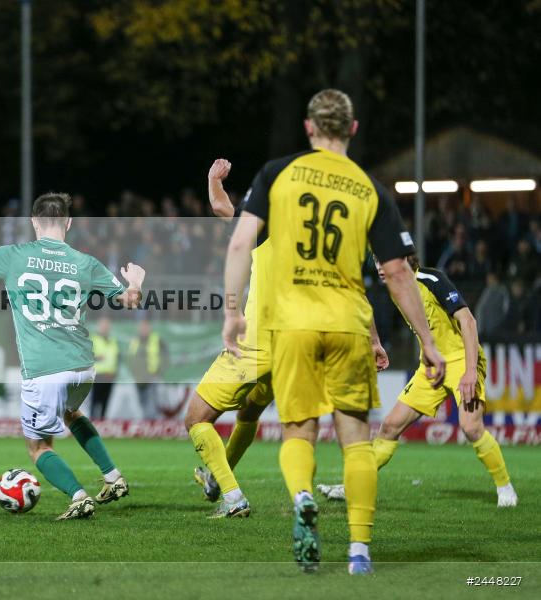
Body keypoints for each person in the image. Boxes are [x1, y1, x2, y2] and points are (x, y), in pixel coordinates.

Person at [222, 89, 446, 574]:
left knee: (298, 430)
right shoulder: (369, 188)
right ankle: (360, 552)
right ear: (353, 128)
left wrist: (232, 311)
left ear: (308, 128)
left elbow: (241, 240)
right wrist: (428, 342)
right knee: (356, 439)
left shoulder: (276, 173)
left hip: (292, 326)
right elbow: (397, 273)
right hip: (347, 324)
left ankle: (303, 497)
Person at [0, 193, 144, 520]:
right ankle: (113, 477)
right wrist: (135, 283)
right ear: (68, 223)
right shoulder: (86, 263)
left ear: (34, 222)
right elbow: (130, 301)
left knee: (38, 448)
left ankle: (79, 497)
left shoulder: (14, 255)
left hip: (44, 369)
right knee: (71, 414)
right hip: (84, 367)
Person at [189, 159, 390, 518]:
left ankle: (232, 496)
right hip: (292, 348)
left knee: (196, 419)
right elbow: (356, 294)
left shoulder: (266, 229)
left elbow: (221, 207)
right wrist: (374, 340)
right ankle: (218, 480)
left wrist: (212, 179)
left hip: (255, 342)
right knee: (249, 411)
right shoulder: (322, 249)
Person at [318, 256, 517, 507]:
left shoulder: (432, 278)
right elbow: (362, 301)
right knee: (390, 425)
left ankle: (505, 488)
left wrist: (469, 371)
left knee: (470, 426)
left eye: (384, 260)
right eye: (376, 262)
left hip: (460, 360)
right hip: (431, 367)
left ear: (404, 258)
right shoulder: (396, 289)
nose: (379, 267)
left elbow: (468, 321)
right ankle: (352, 487)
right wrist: (375, 342)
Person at [127, 319, 167, 419]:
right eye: (142, 328)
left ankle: (151, 422)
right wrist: (133, 371)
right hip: (139, 378)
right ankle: (147, 421)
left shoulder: (156, 339)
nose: (143, 330)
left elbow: (165, 356)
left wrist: (159, 371)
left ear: (150, 328)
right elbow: (130, 358)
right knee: (142, 401)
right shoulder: (135, 341)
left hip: (152, 376)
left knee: (152, 401)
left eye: (145, 327)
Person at [89, 317, 119, 420]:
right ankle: (93, 423)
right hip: (98, 375)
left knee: (105, 401)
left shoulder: (113, 340)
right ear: (99, 327)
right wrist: (97, 357)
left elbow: (116, 357)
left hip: (109, 376)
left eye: (107, 326)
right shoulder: (93, 339)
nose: (105, 328)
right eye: (103, 326)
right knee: (95, 401)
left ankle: (102, 422)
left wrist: (115, 372)